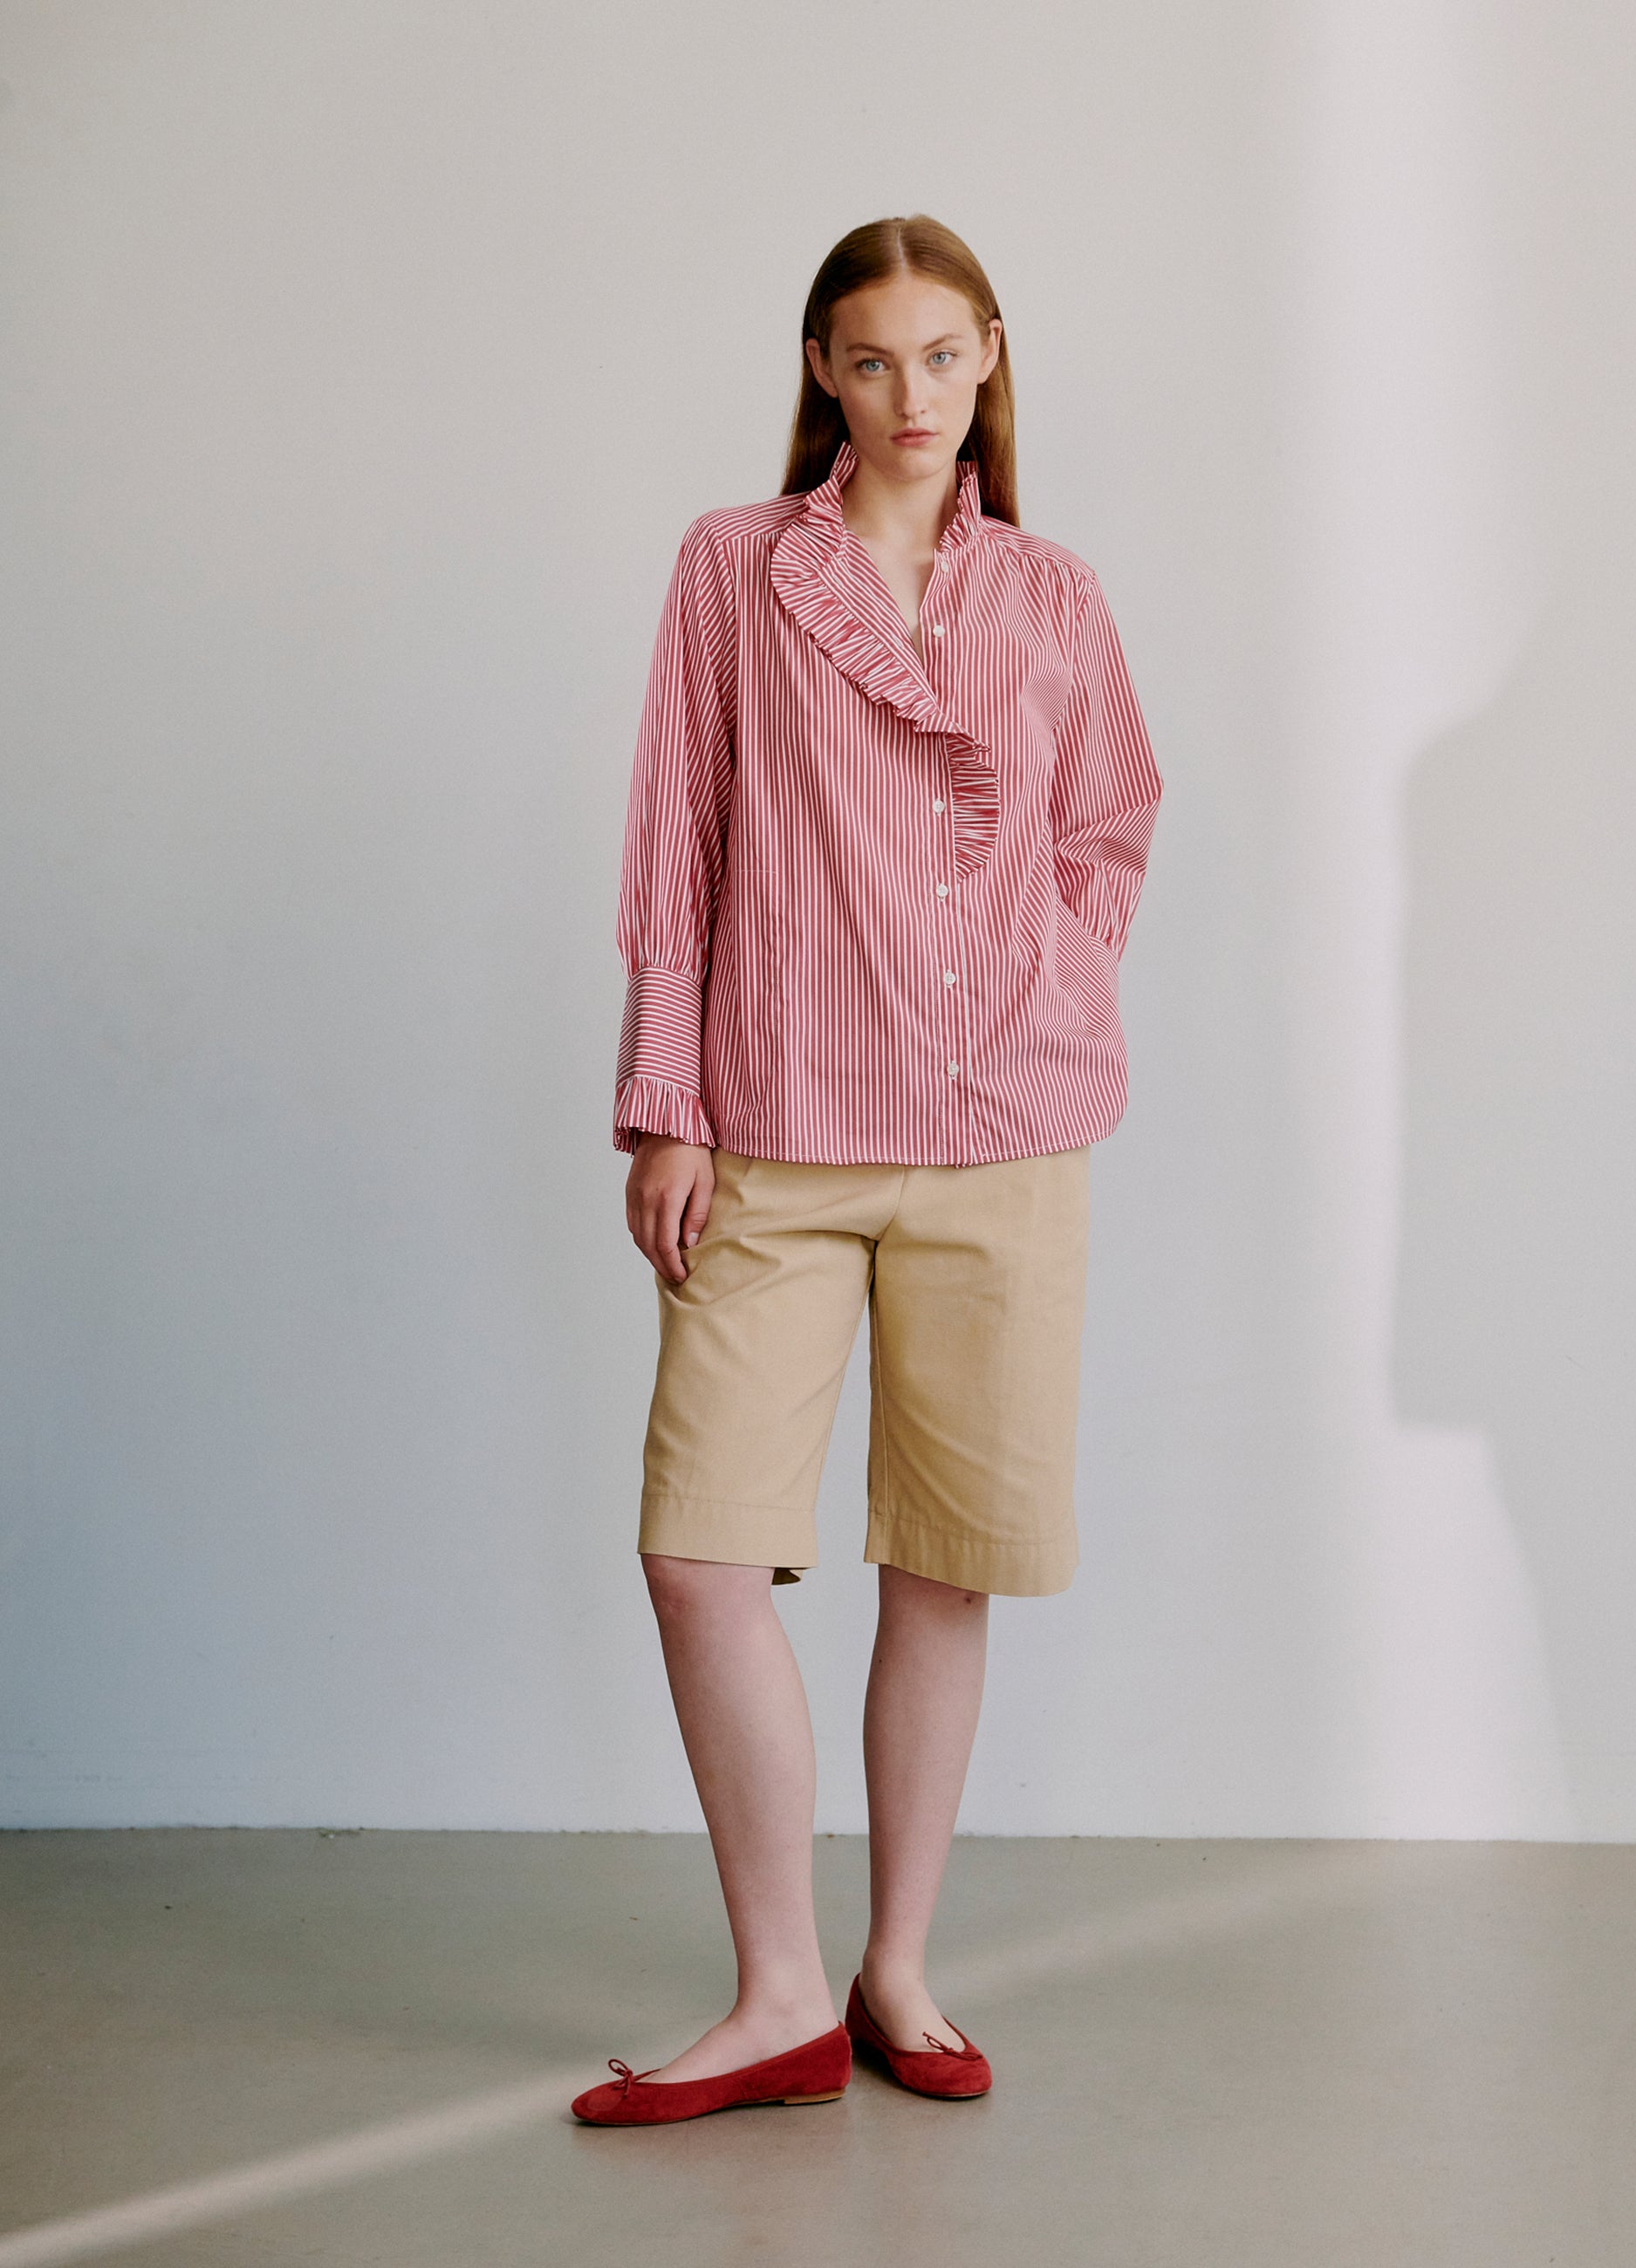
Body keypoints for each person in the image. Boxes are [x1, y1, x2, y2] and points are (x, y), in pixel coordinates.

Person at [572, 214, 1162, 2128]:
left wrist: (1042, 974)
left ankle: (894, 1969)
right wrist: (667, 1098)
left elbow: (1112, 818)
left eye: (939, 354)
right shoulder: (735, 570)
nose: (909, 395)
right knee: (696, 1548)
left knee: (944, 1565)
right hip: (778, 1128)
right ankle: (770, 1995)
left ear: (990, 357)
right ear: (822, 373)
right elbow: (678, 836)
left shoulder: (1054, 594)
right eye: (867, 358)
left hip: (1006, 1145)